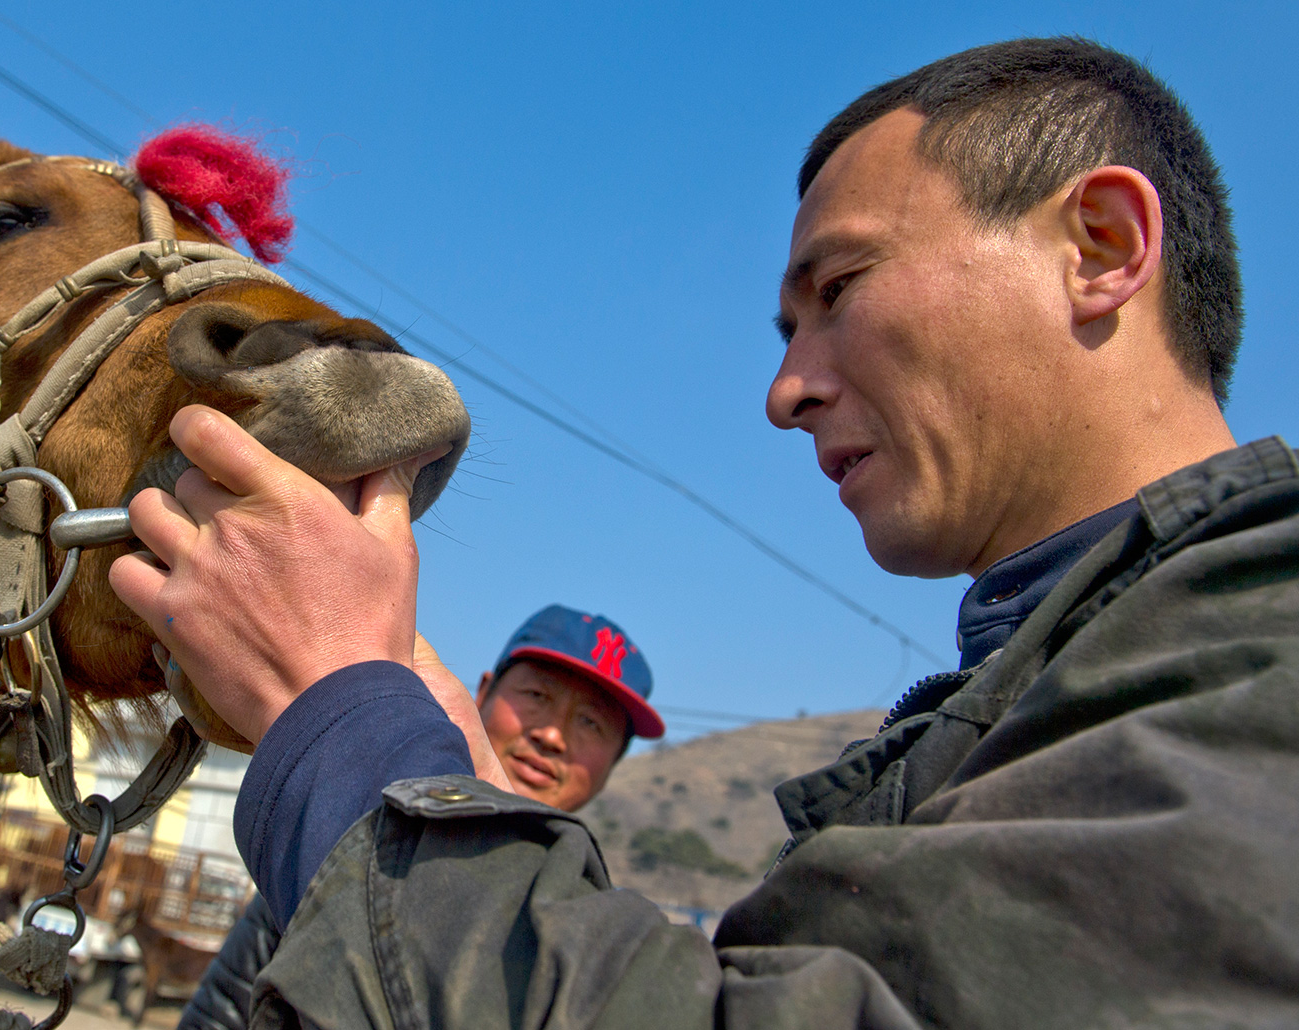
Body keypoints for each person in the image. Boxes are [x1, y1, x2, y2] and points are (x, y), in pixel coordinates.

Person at [111, 36, 1299, 1029]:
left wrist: (343, 718)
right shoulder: (1065, 678)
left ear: (1098, 245)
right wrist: (441, 811)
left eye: (837, 290)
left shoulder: (1263, 636)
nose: (783, 392)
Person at [176, 605, 665, 1030]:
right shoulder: (359, 846)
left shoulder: (605, 940)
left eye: (590, 723)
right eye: (538, 697)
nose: (552, 736)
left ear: (612, 766)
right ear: (484, 692)